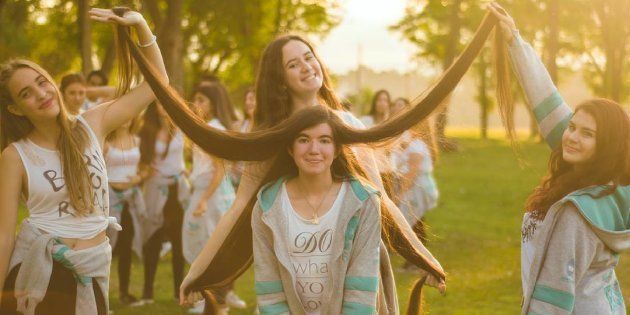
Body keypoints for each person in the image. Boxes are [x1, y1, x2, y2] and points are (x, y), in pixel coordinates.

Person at [123, 12, 505, 313]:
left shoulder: (350, 125)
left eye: (309, 57)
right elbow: (240, 205)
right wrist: (198, 272)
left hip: (355, 277)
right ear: (280, 79)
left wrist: (423, 256)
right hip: (294, 279)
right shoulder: (271, 137)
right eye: (294, 65)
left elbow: (381, 200)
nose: (307, 66)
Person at [0, 6, 167, 314]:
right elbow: (4, 234)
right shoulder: (15, 155)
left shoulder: (93, 124)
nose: (40, 93)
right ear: (16, 109)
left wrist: (142, 26)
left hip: (95, 268)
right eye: (25, 93)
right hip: (43, 272)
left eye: (41, 81)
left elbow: (156, 86)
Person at [490, 3, 629, 314]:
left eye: (588, 134)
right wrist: (515, 41)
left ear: (606, 145)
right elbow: (547, 102)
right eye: (572, 127)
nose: (572, 137)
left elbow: (552, 300)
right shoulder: (607, 185)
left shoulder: (578, 212)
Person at [251, 106, 386, 313]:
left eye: (324, 140)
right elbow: (269, 288)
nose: (314, 149)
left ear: (337, 149)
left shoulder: (363, 201)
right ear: (290, 148)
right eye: (303, 140)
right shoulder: (267, 206)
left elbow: (361, 288)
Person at [183, 83, 245, 313]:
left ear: (213, 103)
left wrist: (203, 199)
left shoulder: (215, 128)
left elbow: (219, 170)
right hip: (204, 192)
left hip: (213, 196)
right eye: (195, 99)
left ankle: (212, 302)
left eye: (202, 100)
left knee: (210, 249)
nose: (196, 104)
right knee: (203, 246)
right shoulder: (205, 127)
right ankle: (207, 300)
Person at [137, 102, 189, 303]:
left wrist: (185, 171)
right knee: (153, 239)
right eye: (159, 102)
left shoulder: (181, 126)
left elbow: (184, 156)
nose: (164, 105)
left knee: (178, 241)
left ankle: (179, 292)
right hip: (155, 188)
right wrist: (145, 172)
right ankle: (147, 292)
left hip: (177, 188)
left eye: (166, 100)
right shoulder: (147, 130)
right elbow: (141, 161)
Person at [104, 117, 147, 306]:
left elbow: (147, 168)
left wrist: (138, 178)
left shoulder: (138, 141)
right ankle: (100, 295)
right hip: (109, 201)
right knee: (105, 249)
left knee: (126, 247)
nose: (125, 118)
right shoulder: (106, 142)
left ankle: (124, 293)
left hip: (130, 201)